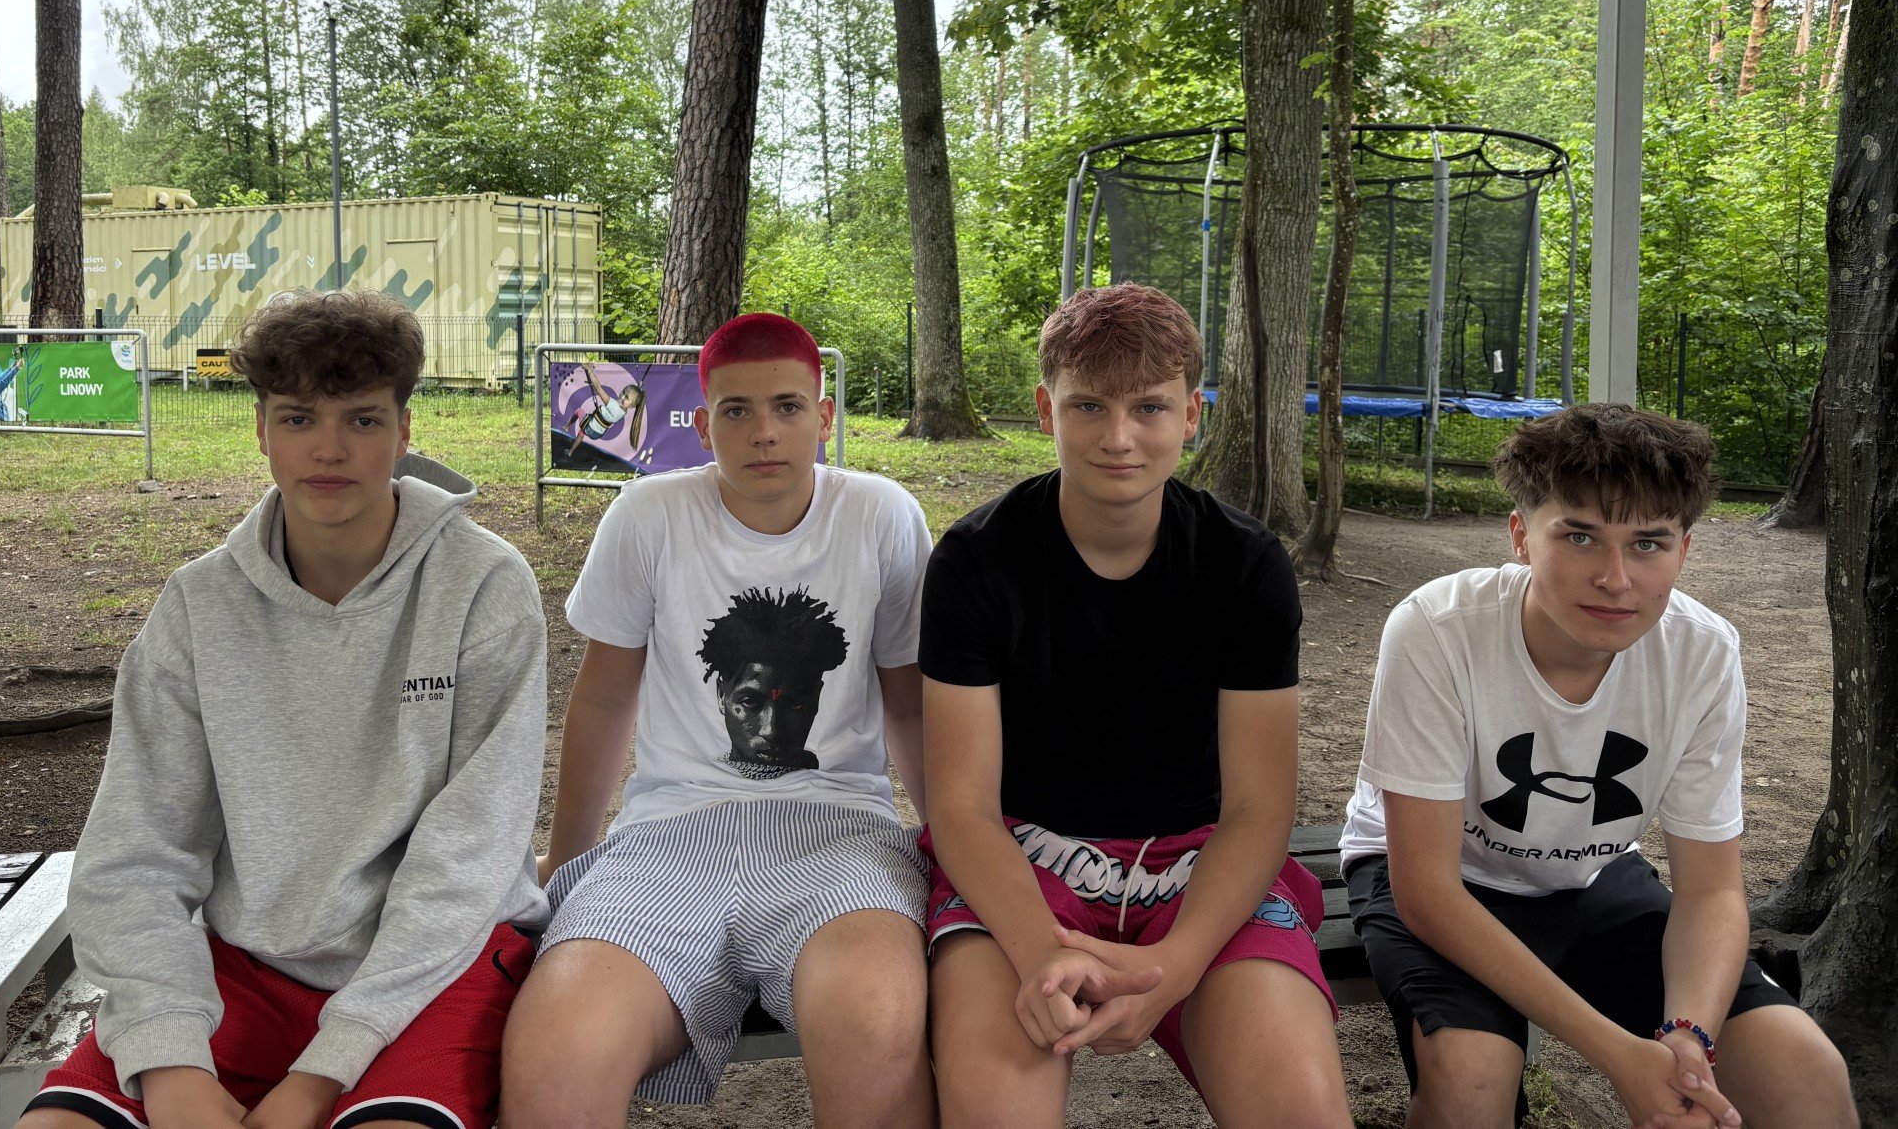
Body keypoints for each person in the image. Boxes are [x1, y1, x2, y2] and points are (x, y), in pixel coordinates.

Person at [18, 289, 550, 1129]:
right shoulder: (198, 604)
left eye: (363, 420)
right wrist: (170, 1060)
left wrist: (323, 1073)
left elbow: (469, 857)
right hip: (248, 965)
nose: (329, 449)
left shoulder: (482, 585)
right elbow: (138, 853)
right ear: (261, 429)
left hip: (435, 966)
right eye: (299, 419)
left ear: (405, 432)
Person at [1341, 403, 1856, 1129]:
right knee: (1470, 1079)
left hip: (1590, 875)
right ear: (1521, 537)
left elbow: (1711, 892)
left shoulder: (1702, 654)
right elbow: (1426, 890)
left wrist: (1687, 1042)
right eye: (1579, 536)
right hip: (1444, 877)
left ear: (1684, 550)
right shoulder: (1438, 629)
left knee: (1805, 1070)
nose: (1616, 579)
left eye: (1648, 544)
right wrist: (1620, 1055)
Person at [919, 282, 1351, 1129]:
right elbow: (961, 805)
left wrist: (1173, 971)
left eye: (1149, 407)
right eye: (1089, 406)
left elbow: (1259, 807)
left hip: (1201, 865)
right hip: (1024, 865)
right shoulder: (976, 560)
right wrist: (1040, 953)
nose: (1118, 438)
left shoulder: (1246, 565)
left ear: (1191, 414)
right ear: (1045, 409)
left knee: (1301, 1107)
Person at [500, 313, 934, 1129]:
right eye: (736, 410)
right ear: (701, 425)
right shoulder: (649, 515)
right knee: (556, 1051)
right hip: (668, 837)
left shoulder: (881, 516)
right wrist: (568, 862)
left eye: (788, 406)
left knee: (877, 1026)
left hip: (840, 836)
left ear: (824, 415)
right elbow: (605, 697)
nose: (764, 431)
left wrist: (954, 849)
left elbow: (909, 701)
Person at [561, 364, 646, 460]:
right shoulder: (623, 411)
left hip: (590, 427)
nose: (622, 397)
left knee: (579, 411)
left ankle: (566, 427)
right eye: (623, 392)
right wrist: (637, 389)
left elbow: (598, 388)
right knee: (582, 432)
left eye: (626, 397)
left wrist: (590, 370)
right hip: (597, 433)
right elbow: (632, 399)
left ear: (632, 406)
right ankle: (570, 452)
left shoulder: (613, 405)